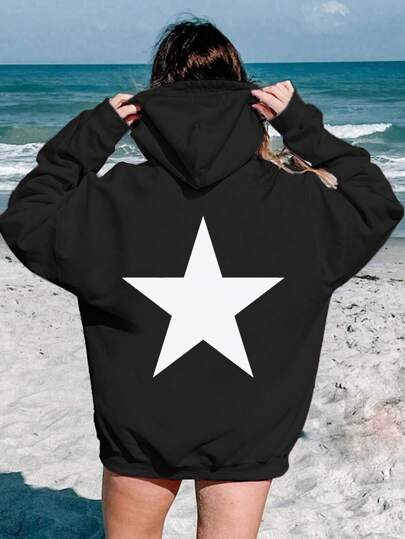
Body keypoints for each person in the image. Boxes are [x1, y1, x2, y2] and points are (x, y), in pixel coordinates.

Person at [0, 17, 403, 539]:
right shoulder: (299, 203)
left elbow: (28, 214)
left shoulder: (111, 201)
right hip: (251, 423)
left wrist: (93, 133)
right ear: (250, 98)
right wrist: (302, 126)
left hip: (140, 419)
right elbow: (375, 202)